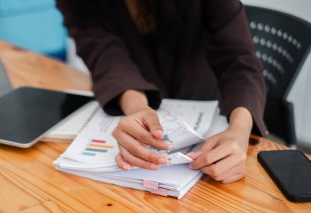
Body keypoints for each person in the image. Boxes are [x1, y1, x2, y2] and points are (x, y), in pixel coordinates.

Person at [56, 0, 267, 183]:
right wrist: (137, 108)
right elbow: (105, 56)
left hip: (208, 110)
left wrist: (239, 131)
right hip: (125, 98)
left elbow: (239, 61)